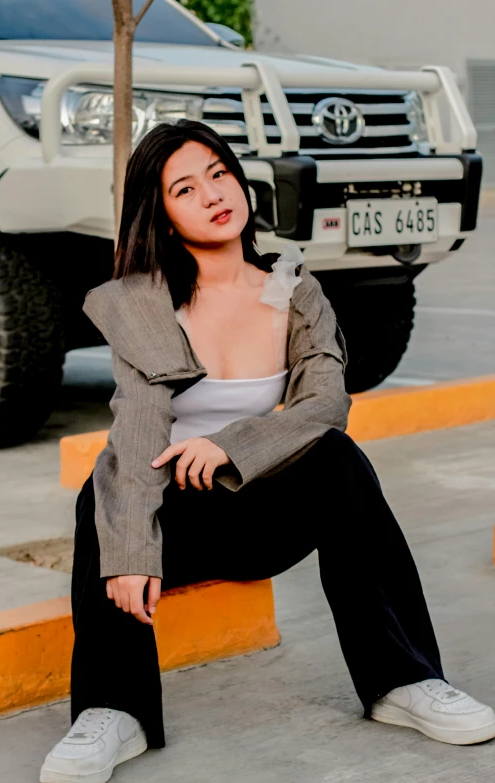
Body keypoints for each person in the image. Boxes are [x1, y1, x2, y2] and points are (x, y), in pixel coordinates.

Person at [40, 119, 495, 783]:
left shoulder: (292, 287)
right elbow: (136, 433)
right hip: (177, 525)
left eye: (219, 174)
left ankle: (404, 681)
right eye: (186, 189)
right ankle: (114, 710)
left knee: (341, 461)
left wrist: (228, 446)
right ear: (162, 214)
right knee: (103, 489)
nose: (213, 195)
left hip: (265, 513)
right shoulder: (141, 303)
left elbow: (323, 405)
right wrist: (133, 550)